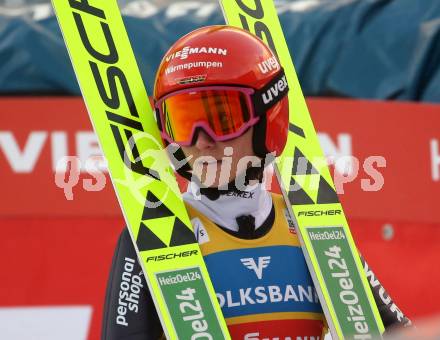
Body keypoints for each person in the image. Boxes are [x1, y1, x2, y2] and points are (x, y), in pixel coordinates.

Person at [101, 26, 411, 340]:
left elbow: (398, 333)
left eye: (222, 120)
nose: (202, 141)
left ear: (268, 118)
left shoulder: (310, 224)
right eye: (183, 122)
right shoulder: (159, 232)